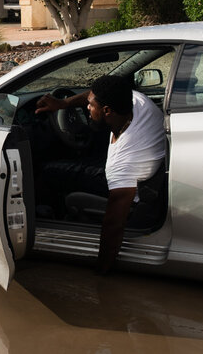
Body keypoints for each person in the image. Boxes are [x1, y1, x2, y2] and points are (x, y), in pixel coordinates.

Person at [35, 75, 166, 274]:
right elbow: (93, 95)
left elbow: (114, 224)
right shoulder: (137, 101)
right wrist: (62, 104)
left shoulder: (122, 161)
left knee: (49, 170)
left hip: (132, 191)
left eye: (90, 106)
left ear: (106, 111)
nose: (87, 108)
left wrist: (101, 274)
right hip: (145, 174)